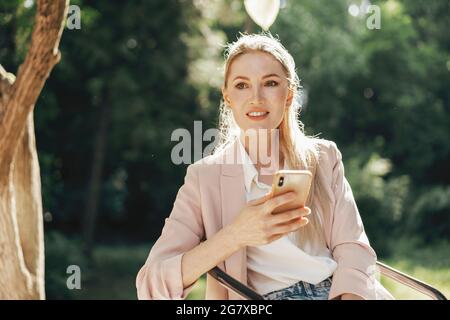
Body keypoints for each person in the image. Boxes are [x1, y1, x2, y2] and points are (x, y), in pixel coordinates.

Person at [136, 32, 393, 300]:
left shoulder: (324, 158)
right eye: (242, 85)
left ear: (289, 94)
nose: (256, 97)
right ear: (227, 97)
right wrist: (235, 235)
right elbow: (150, 286)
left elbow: (353, 248)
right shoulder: (204, 177)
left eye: (270, 83)